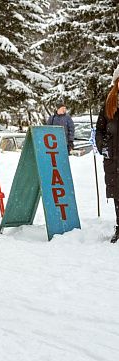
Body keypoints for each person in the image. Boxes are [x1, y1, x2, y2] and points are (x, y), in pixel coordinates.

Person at [96, 65, 119, 243]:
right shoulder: (109, 103)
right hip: (113, 157)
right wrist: (103, 145)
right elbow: (99, 130)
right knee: (117, 195)